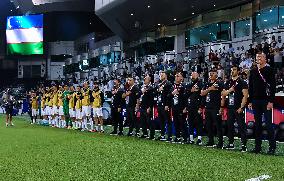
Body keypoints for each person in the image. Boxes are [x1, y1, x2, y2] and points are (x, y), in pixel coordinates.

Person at [248, 52, 276, 155]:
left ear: (265, 59)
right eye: (257, 57)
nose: (258, 58)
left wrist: (271, 101)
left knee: (269, 125)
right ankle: (257, 147)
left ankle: (272, 148)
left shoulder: (269, 70)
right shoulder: (253, 71)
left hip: (266, 101)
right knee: (258, 125)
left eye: (260, 57)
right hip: (255, 101)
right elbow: (250, 87)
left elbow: (273, 86)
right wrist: (250, 101)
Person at [222, 65, 248, 152]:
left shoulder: (242, 82)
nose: (232, 71)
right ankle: (231, 144)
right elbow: (223, 93)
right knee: (230, 126)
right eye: (231, 70)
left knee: (241, 126)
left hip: (238, 108)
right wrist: (230, 90)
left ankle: (244, 145)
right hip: (230, 107)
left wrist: (241, 107)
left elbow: (245, 96)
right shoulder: (228, 82)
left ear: (238, 71)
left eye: (234, 70)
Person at [201, 68, 224, 148]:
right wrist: (210, 89)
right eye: (210, 73)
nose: (211, 75)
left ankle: (220, 143)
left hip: (216, 107)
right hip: (208, 107)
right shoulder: (207, 84)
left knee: (218, 125)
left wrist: (221, 107)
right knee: (208, 125)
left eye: (213, 73)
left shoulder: (220, 83)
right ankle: (211, 141)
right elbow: (202, 93)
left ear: (216, 74)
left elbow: (223, 95)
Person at [184, 71, 203, 145]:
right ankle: (191, 138)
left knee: (199, 122)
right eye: (191, 75)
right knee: (190, 122)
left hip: (197, 106)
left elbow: (202, 96)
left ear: (197, 75)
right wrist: (191, 90)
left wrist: (201, 107)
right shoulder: (189, 84)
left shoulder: (201, 84)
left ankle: (199, 139)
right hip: (190, 106)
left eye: (194, 75)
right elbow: (186, 95)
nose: (192, 76)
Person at [169, 72, 186, 143]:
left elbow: (186, 97)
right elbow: (168, 96)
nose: (176, 77)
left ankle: (185, 137)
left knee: (182, 122)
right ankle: (177, 136)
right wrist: (172, 93)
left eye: (178, 76)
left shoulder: (184, 86)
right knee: (175, 122)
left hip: (181, 107)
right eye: (175, 76)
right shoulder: (173, 86)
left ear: (182, 78)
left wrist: (185, 107)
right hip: (174, 107)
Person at [136, 74, 155, 139]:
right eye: (144, 78)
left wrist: (149, 107)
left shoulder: (151, 88)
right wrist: (141, 91)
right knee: (142, 121)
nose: (144, 79)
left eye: (146, 78)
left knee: (149, 121)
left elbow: (152, 99)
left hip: (147, 106)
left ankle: (152, 135)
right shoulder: (142, 87)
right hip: (142, 106)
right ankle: (145, 133)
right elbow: (138, 95)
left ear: (149, 80)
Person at [155, 71, 172, 141]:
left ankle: (169, 136)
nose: (161, 75)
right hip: (159, 104)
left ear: (166, 76)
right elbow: (155, 92)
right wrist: (158, 90)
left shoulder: (168, 83)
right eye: (160, 75)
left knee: (168, 120)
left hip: (165, 105)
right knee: (161, 121)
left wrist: (167, 104)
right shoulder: (159, 84)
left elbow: (169, 95)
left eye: (162, 74)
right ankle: (162, 135)